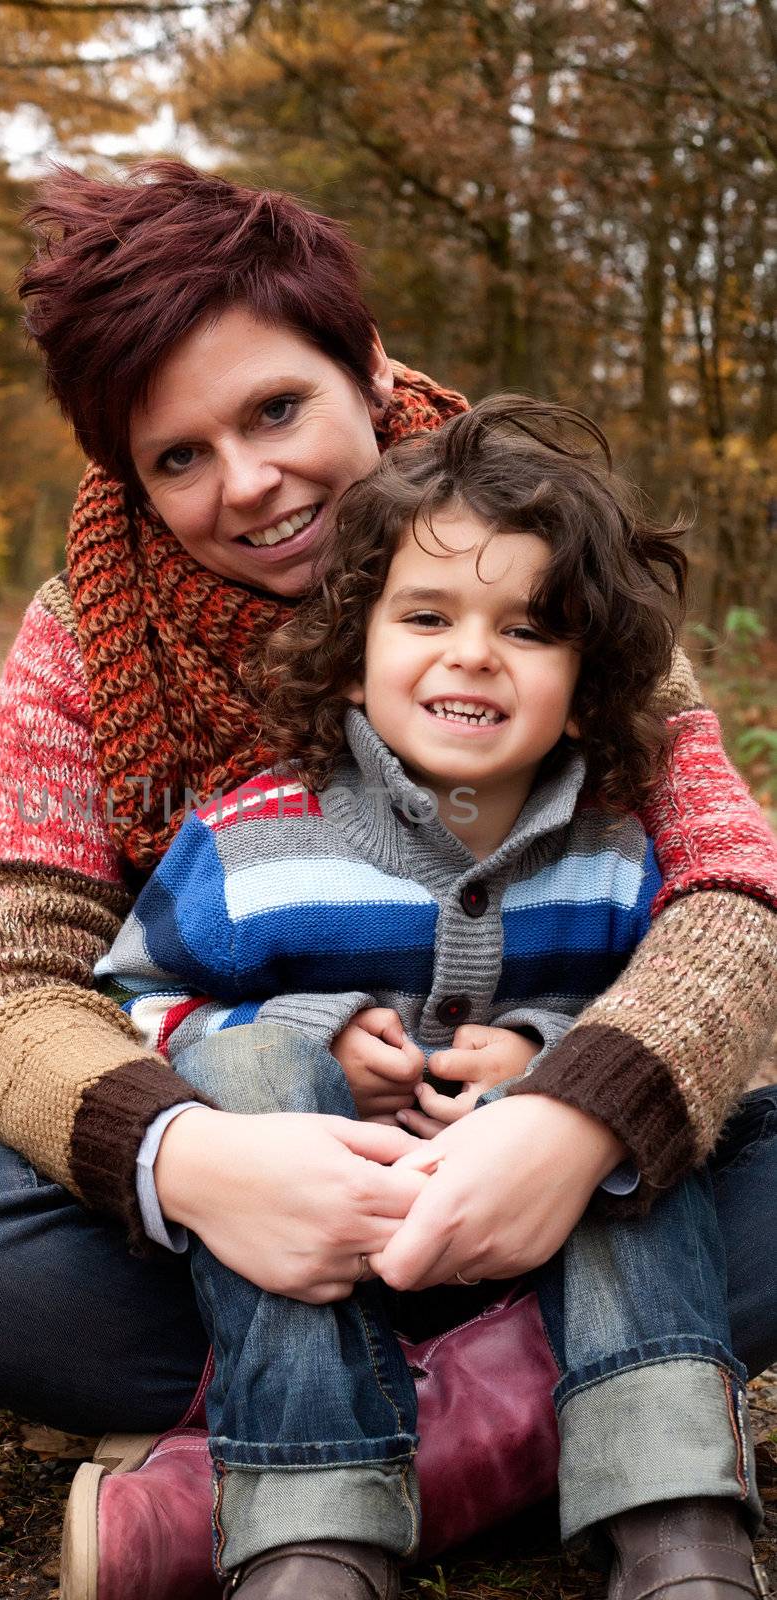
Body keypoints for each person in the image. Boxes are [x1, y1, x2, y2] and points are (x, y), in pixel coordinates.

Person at [0, 162, 777, 1597]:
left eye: (273, 409)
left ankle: (288, 1482)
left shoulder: (537, 555)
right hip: (264, 1202)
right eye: (179, 456)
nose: (249, 483)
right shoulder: (86, 635)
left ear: (365, 367)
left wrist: (582, 1115)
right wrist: (199, 1163)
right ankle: (557, 1420)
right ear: (125, 477)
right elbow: (16, 985)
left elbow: (726, 891)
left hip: (559, 1182)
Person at [92, 395, 765, 1596]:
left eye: (527, 628)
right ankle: (314, 1516)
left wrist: (541, 1057)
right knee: (240, 1071)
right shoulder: (250, 843)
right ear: (351, 648)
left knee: (629, 1108)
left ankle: (671, 1509)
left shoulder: (611, 852)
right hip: (309, 1242)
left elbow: (651, 1007)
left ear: (589, 674)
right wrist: (299, 1035)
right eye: (425, 615)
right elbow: (133, 1004)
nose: (470, 653)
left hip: (550, 1235)